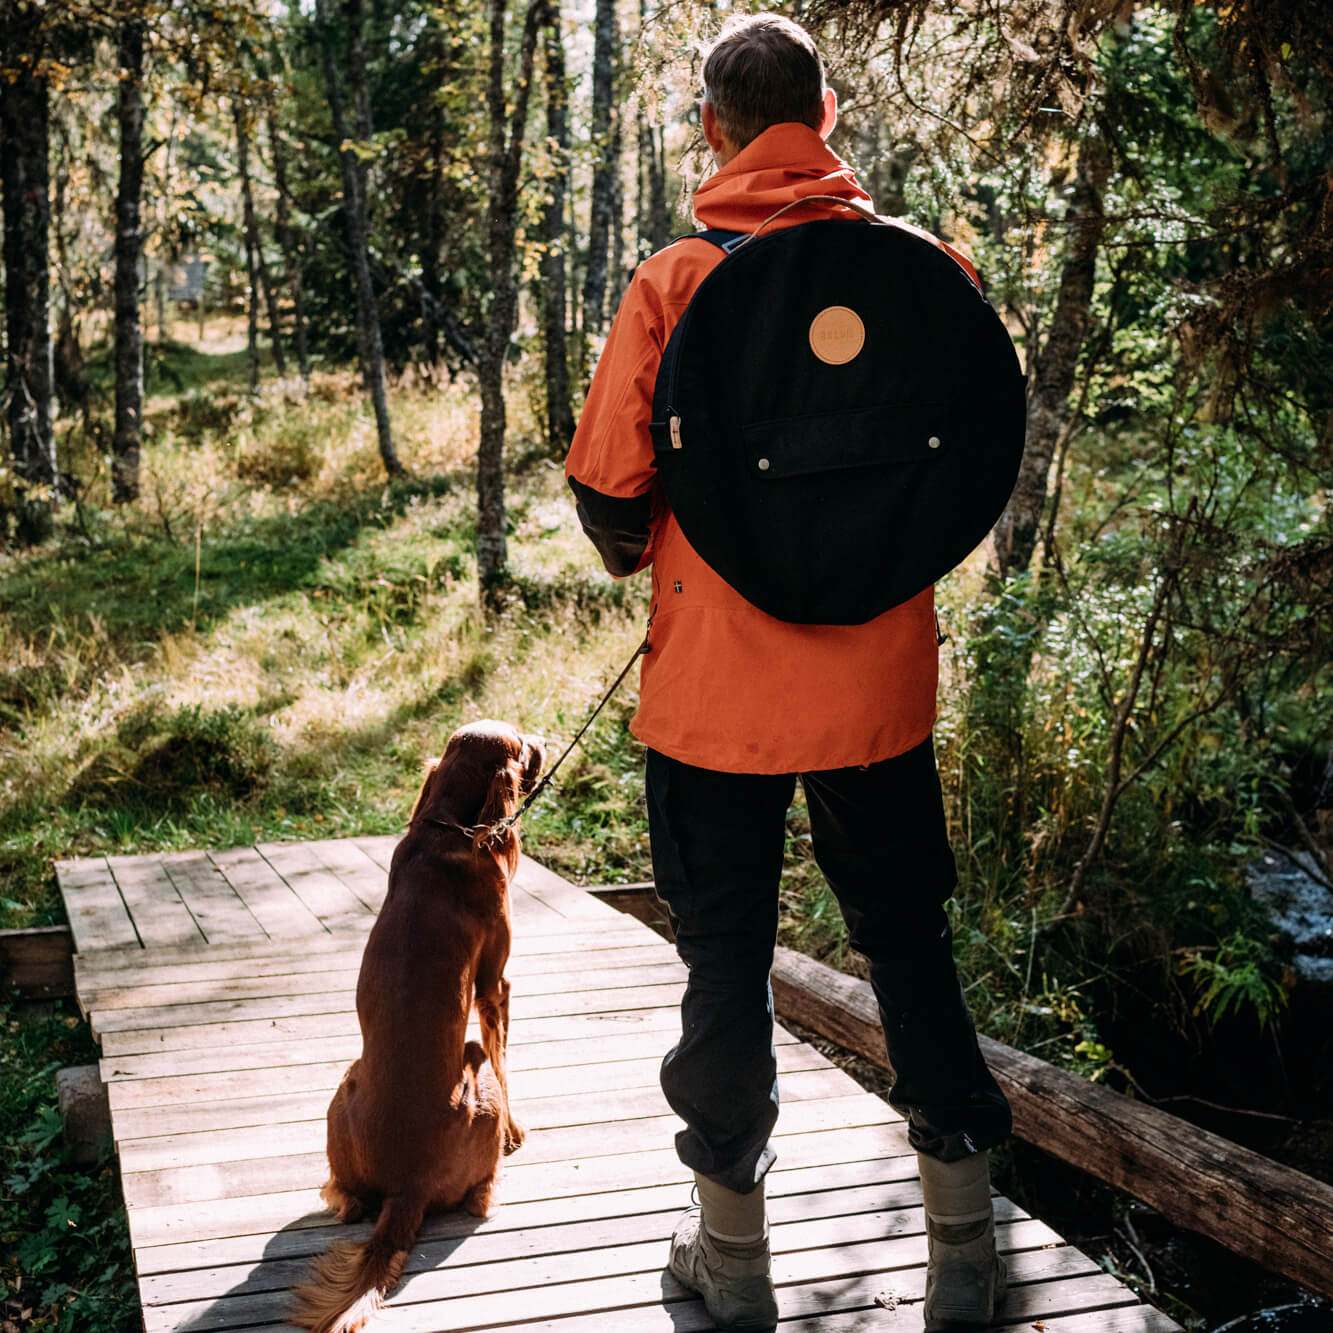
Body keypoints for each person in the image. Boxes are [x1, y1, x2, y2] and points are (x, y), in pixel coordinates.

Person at [564, 13, 1013, 1329]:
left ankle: (733, 1259)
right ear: (824, 118)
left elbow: (607, 499)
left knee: (720, 959)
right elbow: (968, 467)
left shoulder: (672, 285)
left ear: (713, 126)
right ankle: (965, 1252)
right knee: (909, 943)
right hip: (877, 695)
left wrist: (669, 534)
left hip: (712, 699)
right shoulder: (933, 267)